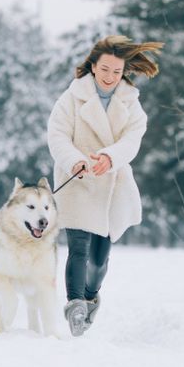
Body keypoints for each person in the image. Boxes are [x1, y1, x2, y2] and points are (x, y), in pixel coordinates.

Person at [47, 34, 163, 336]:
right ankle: (75, 306)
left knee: (98, 260)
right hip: (77, 182)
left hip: (112, 185)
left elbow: (132, 141)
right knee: (79, 249)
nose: (110, 76)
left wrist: (109, 158)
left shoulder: (131, 104)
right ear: (93, 66)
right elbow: (57, 135)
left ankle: (90, 297)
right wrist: (75, 160)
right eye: (105, 69)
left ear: (124, 71)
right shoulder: (72, 98)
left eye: (116, 71)